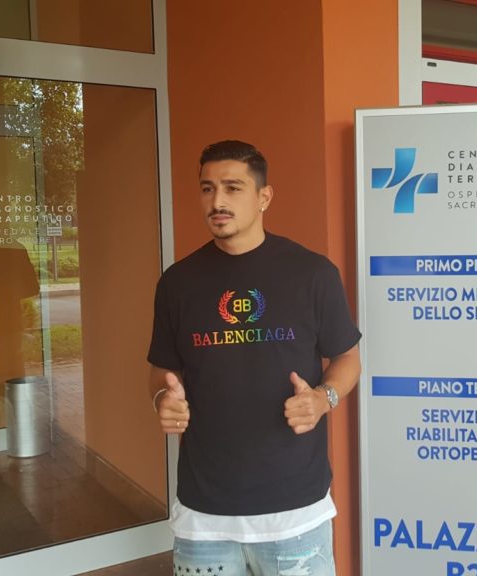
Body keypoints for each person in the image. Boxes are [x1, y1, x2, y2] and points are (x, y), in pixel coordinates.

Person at [147, 140, 361, 576]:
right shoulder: (177, 283)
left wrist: (323, 399)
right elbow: (161, 368)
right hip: (204, 517)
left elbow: (348, 358)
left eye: (233, 188)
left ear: (264, 197)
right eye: (207, 189)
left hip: (295, 515)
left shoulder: (312, 274)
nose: (217, 201)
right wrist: (161, 400)